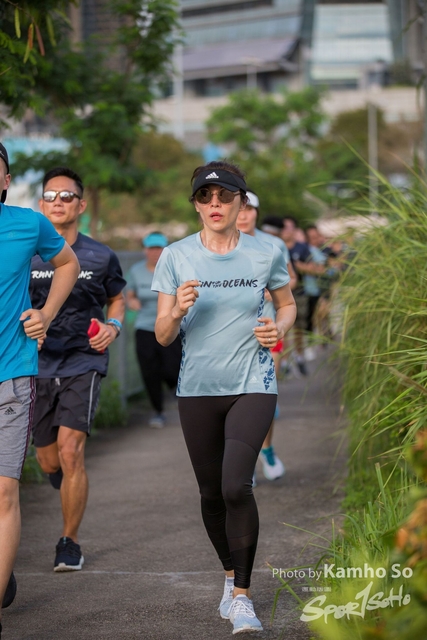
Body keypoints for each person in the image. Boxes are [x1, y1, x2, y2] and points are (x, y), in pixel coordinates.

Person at [152, 161, 296, 634]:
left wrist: (279, 328)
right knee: (211, 493)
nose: (214, 204)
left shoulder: (266, 252)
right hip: (197, 388)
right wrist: (177, 309)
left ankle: (243, 597)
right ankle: (230, 574)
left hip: (253, 381)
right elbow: (163, 335)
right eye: (205, 196)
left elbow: (287, 303)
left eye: (224, 196)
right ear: (196, 204)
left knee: (237, 485)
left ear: (241, 201)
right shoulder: (175, 256)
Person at [29, 167, 126, 572]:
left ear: (81, 205)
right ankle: (62, 479)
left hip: (83, 360)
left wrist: (112, 326)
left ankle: (69, 541)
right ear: (41, 204)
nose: (58, 202)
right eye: (51, 196)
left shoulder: (100, 255)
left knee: (71, 452)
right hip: (35, 364)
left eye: (66, 196)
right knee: (48, 461)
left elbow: (117, 298)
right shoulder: (26, 252)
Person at [0, 145, 80, 638]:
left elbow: (67, 263)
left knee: (4, 490)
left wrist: (46, 314)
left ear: (6, 181)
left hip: (11, 373)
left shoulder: (28, 224)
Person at [236, 192, 297, 483]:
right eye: (240, 209)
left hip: (268, 330)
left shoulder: (273, 245)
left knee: (264, 394)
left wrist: (274, 291)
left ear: (257, 213)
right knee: (235, 399)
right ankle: (243, 459)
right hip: (233, 335)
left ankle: (267, 450)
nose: (244, 215)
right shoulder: (219, 244)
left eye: (250, 209)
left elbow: (291, 278)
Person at [126, 232, 181, 427]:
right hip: (145, 327)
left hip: (170, 327)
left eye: (159, 248)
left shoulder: (174, 269)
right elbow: (130, 295)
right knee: (149, 371)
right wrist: (132, 302)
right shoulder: (136, 271)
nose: (155, 252)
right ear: (145, 250)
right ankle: (158, 411)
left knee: (172, 367)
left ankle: (175, 389)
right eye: (151, 248)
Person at [281, 216, 324, 375]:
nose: (287, 231)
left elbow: (316, 269)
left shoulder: (303, 248)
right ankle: (284, 361)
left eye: (290, 227)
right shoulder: (275, 246)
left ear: (295, 230)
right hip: (280, 292)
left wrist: (301, 267)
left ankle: (299, 356)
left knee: (298, 328)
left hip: (299, 293)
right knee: (284, 328)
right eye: (284, 227)